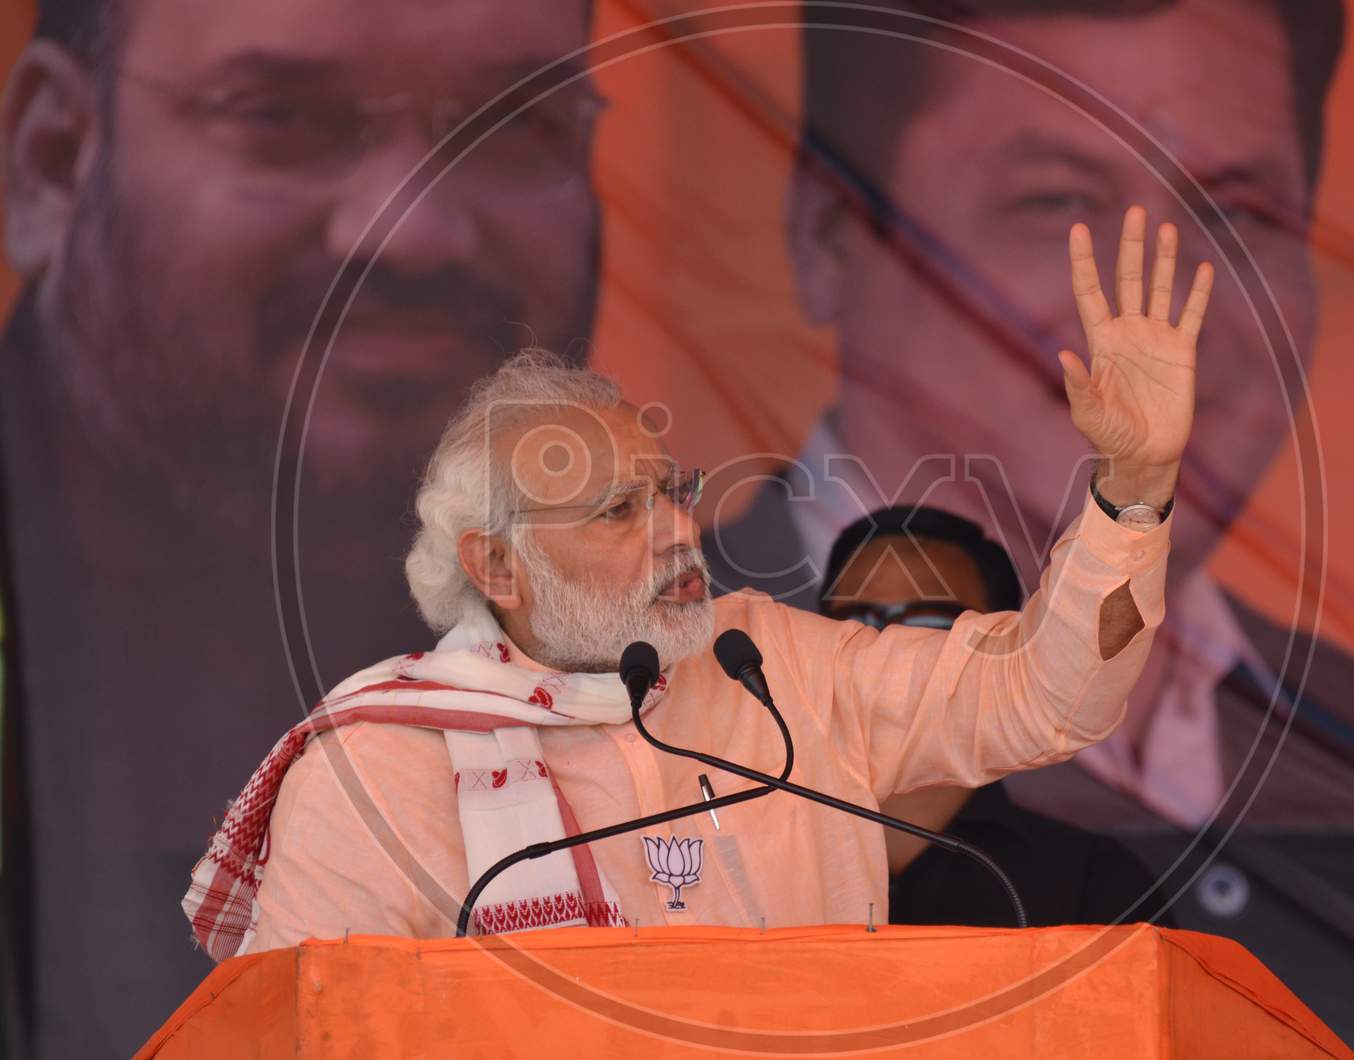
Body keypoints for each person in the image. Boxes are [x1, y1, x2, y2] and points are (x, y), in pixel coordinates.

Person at [703, 2, 1354, 1056]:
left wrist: (1134, 483)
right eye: (1055, 206)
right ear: (827, 234)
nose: (1151, 316)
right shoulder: (660, 717)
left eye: (1236, 215)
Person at [186, 209, 1207, 954]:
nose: (680, 532)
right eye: (619, 511)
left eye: (671, 493)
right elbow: (316, 1028)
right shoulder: (382, 768)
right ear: (495, 564)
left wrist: (1136, 487)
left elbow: (1050, 694)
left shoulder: (778, 667)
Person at [0, 0, 602, 1050]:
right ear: (53, 160)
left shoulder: (711, 691)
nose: (414, 232)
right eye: (283, 117)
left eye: (515, 125)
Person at [819, 504, 1168, 928]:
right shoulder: (749, 853)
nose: (889, 649)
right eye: (856, 623)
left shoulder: (1093, 881)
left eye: (929, 623)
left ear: (1005, 653)